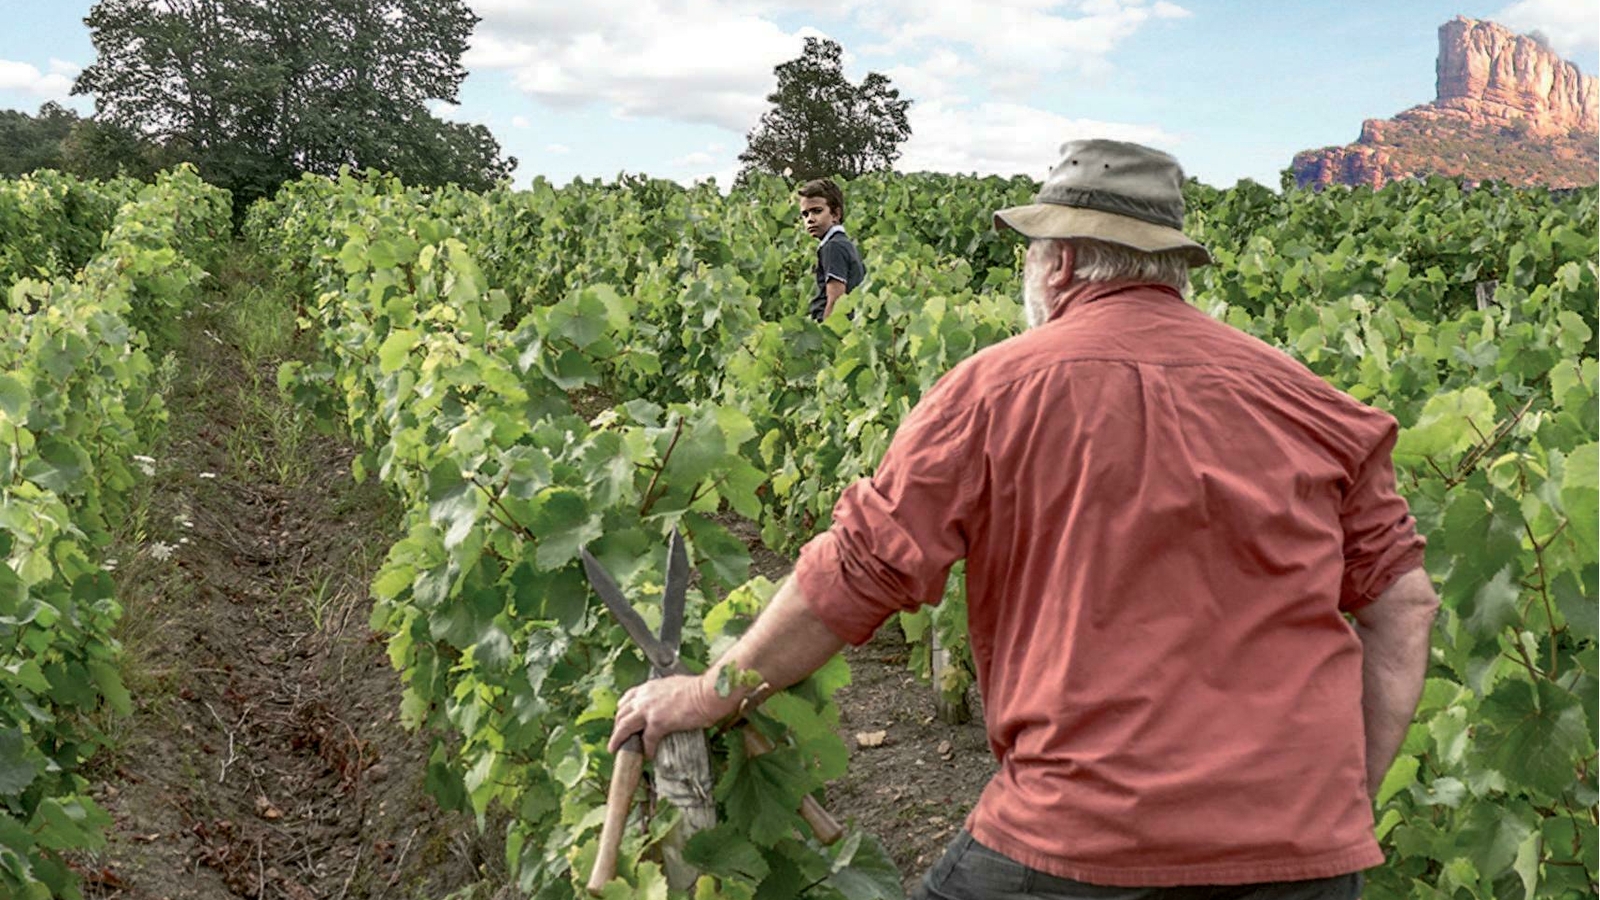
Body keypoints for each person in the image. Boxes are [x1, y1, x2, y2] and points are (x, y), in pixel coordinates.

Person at [610, 139, 1439, 899]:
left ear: (1062, 261)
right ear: (1174, 267)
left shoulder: (993, 391)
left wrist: (710, 693)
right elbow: (1404, 605)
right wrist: (1339, 796)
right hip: (1302, 850)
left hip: (1079, 841)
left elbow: (858, 571)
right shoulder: (1315, 405)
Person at [798, 177, 866, 321]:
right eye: (805, 214)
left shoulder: (833, 246)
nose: (810, 219)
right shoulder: (844, 243)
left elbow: (836, 299)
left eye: (817, 211)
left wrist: (827, 336)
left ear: (836, 214)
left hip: (835, 330)